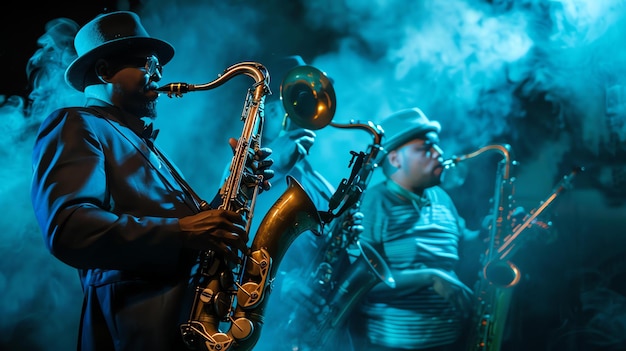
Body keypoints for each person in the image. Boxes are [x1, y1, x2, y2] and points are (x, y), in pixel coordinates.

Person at [29, 11, 273, 351]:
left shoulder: (143, 143)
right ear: (104, 71)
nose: (160, 74)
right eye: (148, 63)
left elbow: (195, 232)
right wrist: (183, 232)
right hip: (134, 331)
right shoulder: (76, 123)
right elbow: (68, 228)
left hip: (177, 327)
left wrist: (233, 182)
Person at [250, 55, 364, 351]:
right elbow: (231, 242)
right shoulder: (244, 169)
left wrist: (344, 232)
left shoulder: (317, 180)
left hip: (312, 327)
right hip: (270, 321)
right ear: (270, 110)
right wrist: (283, 283)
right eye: (296, 99)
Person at [349, 107, 479, 351]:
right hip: (393, 345)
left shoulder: (441, 198)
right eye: (425, 148)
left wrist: (491, 229)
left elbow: (463, 242)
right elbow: (358, 285)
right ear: (395, 158)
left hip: (452, 341)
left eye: (437, 146)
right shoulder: (373, 204)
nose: (439, 153)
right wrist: (429, 277)